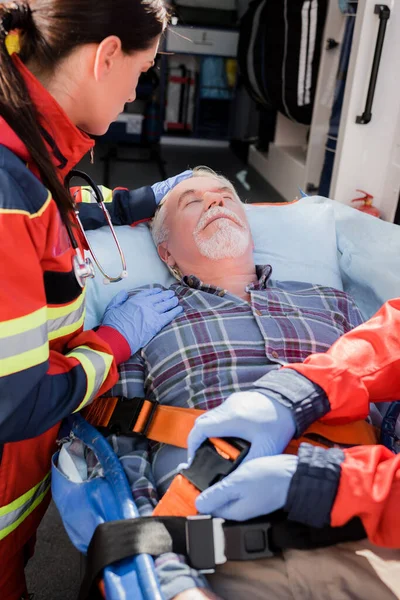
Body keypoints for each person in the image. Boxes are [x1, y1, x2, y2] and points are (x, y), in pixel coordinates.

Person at [85, 166, 374, 600]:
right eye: (193, 201)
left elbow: (393, 409)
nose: (216, 201)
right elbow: (122, 461)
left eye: (225, 196)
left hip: (364, 523)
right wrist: (172, 582)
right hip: (224, 551)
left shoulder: (333, 302)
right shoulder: (142, 325)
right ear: (165, 253)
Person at [0, 2, 192, 598]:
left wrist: (134, 203)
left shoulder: (25, 151)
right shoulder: (9, 189)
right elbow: (14, 402)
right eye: (142, 72)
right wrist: (111, 344)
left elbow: (51, 212)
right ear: (106, 56)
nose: (136, 93)